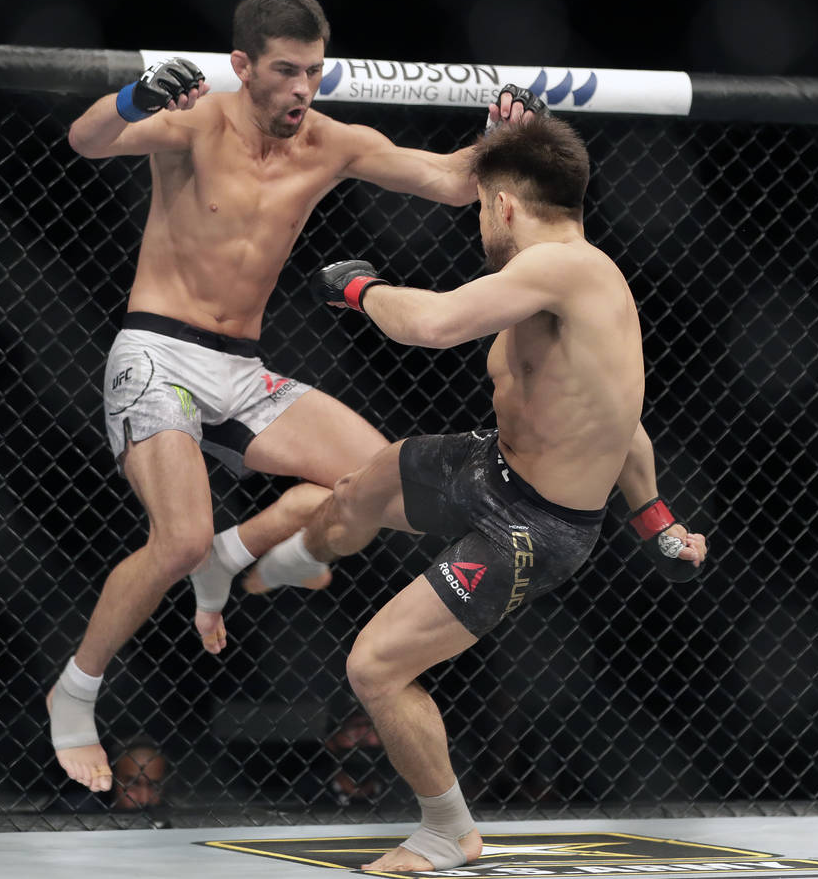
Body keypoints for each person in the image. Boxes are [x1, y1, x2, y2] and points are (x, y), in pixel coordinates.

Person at [46, 0, 545, 795]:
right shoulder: (197, 120)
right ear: (244, 66)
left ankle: (231, 560)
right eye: (284, 72)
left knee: (379, 478)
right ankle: (75, 693)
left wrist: (497, 139)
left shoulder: (331, 141)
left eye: (313, 71)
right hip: (159, 351)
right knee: (174, 537)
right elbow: (86, 138)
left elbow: (451, 183)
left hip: (242, 367)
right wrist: (135, 97)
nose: (301, 89)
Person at [250, 115, 708, 872]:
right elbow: (621, 425)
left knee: (376, 668)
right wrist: (658, 521)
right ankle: (306, 553)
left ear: (502, 207)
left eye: (480, 205)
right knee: (370, 478)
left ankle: (445, 830)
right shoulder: (563, 285)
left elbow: (431, 324)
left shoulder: (565, 268)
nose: (477, 223)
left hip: (533, 527)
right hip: (492, 464)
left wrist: (359, 289)